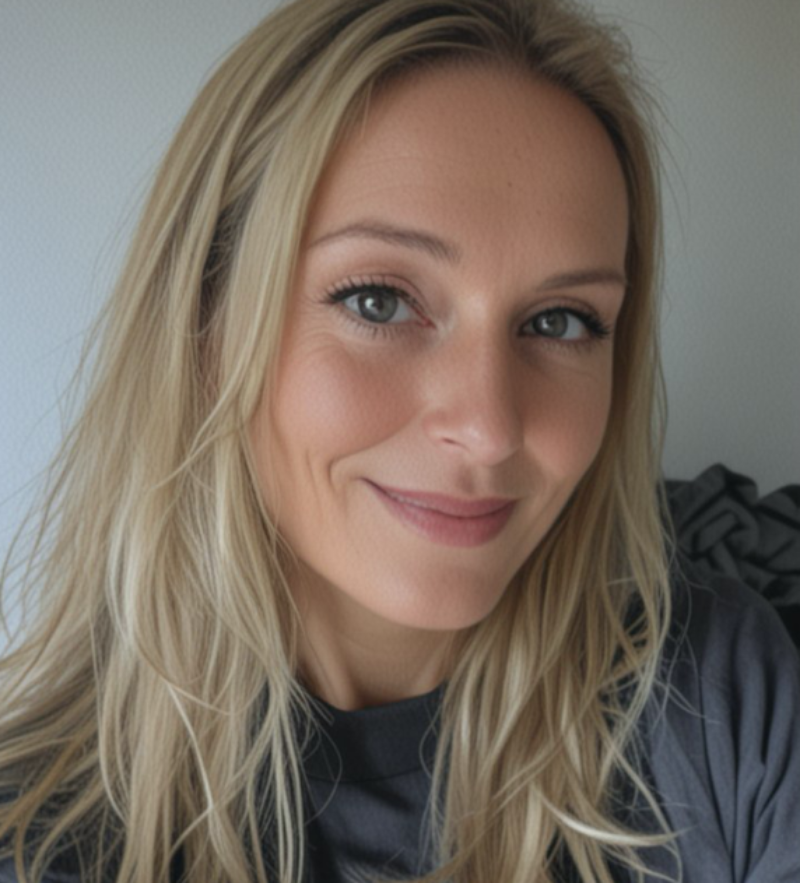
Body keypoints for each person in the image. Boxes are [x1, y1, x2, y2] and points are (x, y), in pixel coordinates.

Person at [1, 0, 798, 881]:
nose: (489, 428)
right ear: (205, 325)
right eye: (378, 301)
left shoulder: (723, 705)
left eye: (560, 320)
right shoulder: (36, 845)